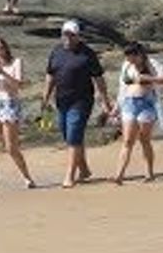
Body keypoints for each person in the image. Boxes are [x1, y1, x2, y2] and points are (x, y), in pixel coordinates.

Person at [41, 20, 113, 188]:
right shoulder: (56, 51)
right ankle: (84, 169)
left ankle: (69, 176)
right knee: (69, 135)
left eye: (71, 35)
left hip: (81, 101)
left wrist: (105, 101)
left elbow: (99, 79)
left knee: (73, 135)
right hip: (61, 100)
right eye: (65, 34)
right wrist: (45, 97)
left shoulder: (87, 54)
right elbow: (50, 76)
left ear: (78, 36)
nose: (67, 38)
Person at [0, 37, 36, 194]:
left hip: (10, 104)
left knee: (11, 147)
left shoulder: (16, 62)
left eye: (0, 48)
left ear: (6, 49)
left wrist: (2, 72)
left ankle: (27, 177)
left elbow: (19, 85)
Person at [112, 41, 163, 184]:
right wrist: (116, 108)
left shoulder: (152, 64)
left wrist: (148, 79)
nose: (129, 60)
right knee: (127, 140)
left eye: (132, 57)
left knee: (144, 140)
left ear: (139, 55)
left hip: (147, 104)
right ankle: (119, 175)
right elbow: (122, 88)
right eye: (127, 57)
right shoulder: (126, 66)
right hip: (129, 103)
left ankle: (149, 173)